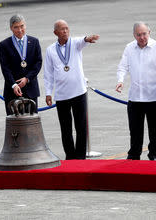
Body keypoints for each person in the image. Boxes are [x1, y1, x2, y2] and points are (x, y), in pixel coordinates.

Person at [44, 19, 99, 160]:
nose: (65, 31)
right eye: (62, 29)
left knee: (81, 127)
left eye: (67, 28)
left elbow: (83, 40)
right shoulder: (51, 50)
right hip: (62, 95)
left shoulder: (75, 43)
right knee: (66, 128)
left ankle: (80, 157)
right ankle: (70, 156)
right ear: (55, 32)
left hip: (79, 92)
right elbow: (48, 73)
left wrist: (88, 38)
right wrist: (48, 93)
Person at [116, 22, 156, 160]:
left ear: (149, 32)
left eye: (144, 34)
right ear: (134, 35)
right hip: (135, 97)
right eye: (139, 34)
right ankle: (134, 155)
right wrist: (120, 81)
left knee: (154, 130)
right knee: (135, 130)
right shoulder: (129, 48)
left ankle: (154, 155)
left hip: (154, 96)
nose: (142, 37)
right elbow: (122, 67)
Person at [0, 14, 42, 115]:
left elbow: (38, 63)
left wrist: (27, 78)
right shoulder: (5, 44)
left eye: (22, 26)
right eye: (16, 27)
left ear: (25, 26)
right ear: (11, 28)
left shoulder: (34, 42)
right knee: (14, 126)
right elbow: (5, 67)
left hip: (31, 89)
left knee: (31, 125)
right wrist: (14, 85)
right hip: (12, 91)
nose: (20, 30)